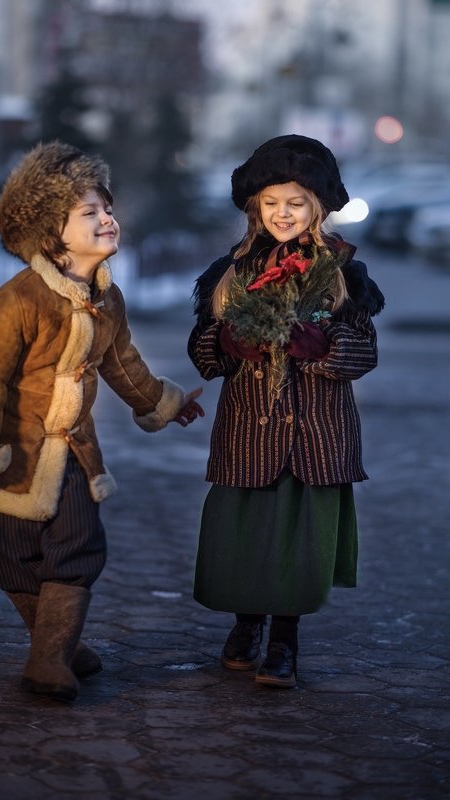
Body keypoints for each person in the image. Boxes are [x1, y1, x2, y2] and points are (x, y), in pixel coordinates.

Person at [0, 140, 204, 702]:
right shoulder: (18, 301)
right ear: (51, 232)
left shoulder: (108, 300)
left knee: (77, 547)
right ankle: (55, 641)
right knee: (11, 559)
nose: (107, 219)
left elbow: (123, 364)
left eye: (108, 208)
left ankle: (49, 660)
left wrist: (163, 403)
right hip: (10, 456)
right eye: (89, 212)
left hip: (72, 454)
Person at [187, 134, 384, 688]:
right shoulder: (231, 272)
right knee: (246, 537)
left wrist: (322, 348)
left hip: (314, 436)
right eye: (271, 202)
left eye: (295, 203)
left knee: (297, 543)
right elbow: (201, 350)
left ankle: (284, 640)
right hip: (248, 435)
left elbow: (365, 352)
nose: (283, 213)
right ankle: (247, 624)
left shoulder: (342, 272)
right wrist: (227, 344)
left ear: (316, 208)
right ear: (256, 207)